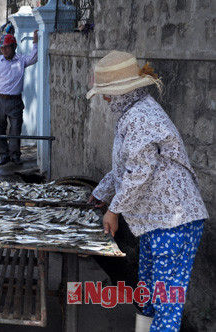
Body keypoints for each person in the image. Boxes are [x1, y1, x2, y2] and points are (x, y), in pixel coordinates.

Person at [86, 51, 207, 332]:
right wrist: (102, 192)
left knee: (166, 302)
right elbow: (126, 167)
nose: (105, 99)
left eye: (107, 92)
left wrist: (113, 210)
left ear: (123, 90)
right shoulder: (132, 113)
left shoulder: (142, 116)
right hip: (156, 222)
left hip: (174, 222)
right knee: (148, 291)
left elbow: (140, 172)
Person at [0, 30, 38, 166]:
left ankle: (15, 155)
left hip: (14, 101)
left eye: (7, 47)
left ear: (14, 47)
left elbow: (34, 57)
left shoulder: (21, 61)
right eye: (2, 48)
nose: (4, 50)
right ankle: (4, 155)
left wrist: (35, 42)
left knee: (15, 129)